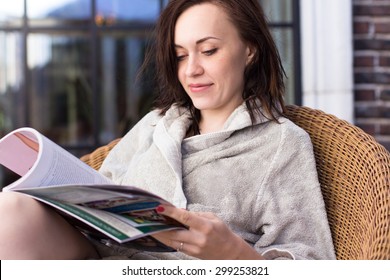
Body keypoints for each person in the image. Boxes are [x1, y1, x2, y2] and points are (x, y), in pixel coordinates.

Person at [0, 0, 336, 260]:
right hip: (102, 257)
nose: (191, 69)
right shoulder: (156, 124)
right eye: (179, 56)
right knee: (10, 208)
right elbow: (103, 186)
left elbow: (312, 260)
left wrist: (235, 255)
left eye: (208, 51)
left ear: (249, 50)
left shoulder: (281, 144)